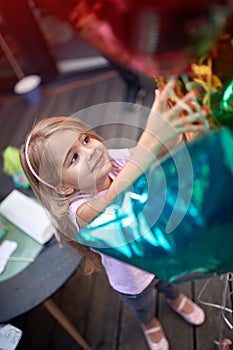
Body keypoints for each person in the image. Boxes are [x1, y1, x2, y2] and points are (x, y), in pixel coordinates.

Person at [20, 81, 206, 350]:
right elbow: (116, 195)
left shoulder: (117, 161)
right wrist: (151, 135)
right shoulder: (79, 212)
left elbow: (160, 154)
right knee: (141, 306)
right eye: (73, 158)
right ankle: (149, 323)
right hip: (131, 278)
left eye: (85, 139)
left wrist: (173, 127)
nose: (91, 150)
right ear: (64, 186)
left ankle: (175, 299)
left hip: (157, 253)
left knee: (169, 283)